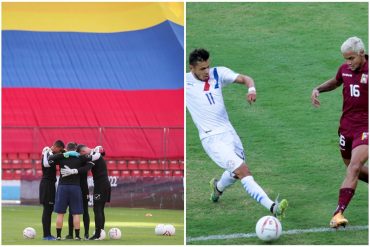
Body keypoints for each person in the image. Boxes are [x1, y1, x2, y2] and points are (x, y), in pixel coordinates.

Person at [186, 48, 288, 220]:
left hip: (228, 132)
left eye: (208, 67)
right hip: (211, 138)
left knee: (235, 172)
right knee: (242, 170)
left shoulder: (218, 73)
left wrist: (251, 90)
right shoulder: (184, 82)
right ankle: (273, 207)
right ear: (192, 68)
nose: (206, 72)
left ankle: (217, 188)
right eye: (202, 69)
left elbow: (246, 79)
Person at [311, 36, 368, 228]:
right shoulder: (345, 69)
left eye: (351, 58)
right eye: (345, 58)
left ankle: (338, 213)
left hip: (365, 128)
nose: (347, 63)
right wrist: (318, 89)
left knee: (353, 166)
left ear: (361, 54)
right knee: (354, 169)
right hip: (346, 128)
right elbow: (336, 82)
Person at [48, 142, 101, 240]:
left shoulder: (62, 157)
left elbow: (50, 158)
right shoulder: (80, 158)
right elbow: (96, 157)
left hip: (62, 187)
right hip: (75, 187)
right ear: (76, 149)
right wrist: (96, 150)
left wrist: (63, 154)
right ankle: (77, 236)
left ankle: (59, 236)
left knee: (60, 213)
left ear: (67, 149)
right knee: (76, 214)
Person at [62, 144, 111, 240]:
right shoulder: (95, 154)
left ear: (83, 152)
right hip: (104, 184)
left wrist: (73, 170)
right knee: (100, 209)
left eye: (80, 153)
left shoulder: (94, 156)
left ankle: (97, 234)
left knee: (97, 209)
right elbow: (101, 153)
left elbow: (85, 167)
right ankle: (100, 232)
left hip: (101, 185)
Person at [40, 140, 65, 240]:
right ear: (56, 147)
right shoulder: (47, 153)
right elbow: (46, 164)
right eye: (60, 150)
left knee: (49, 210)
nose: (60, 152)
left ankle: (48, 234)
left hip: (50, 184)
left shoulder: (52, 154)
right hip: (47, 185)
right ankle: (46, 235)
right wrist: (48, 152)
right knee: (47, 210)